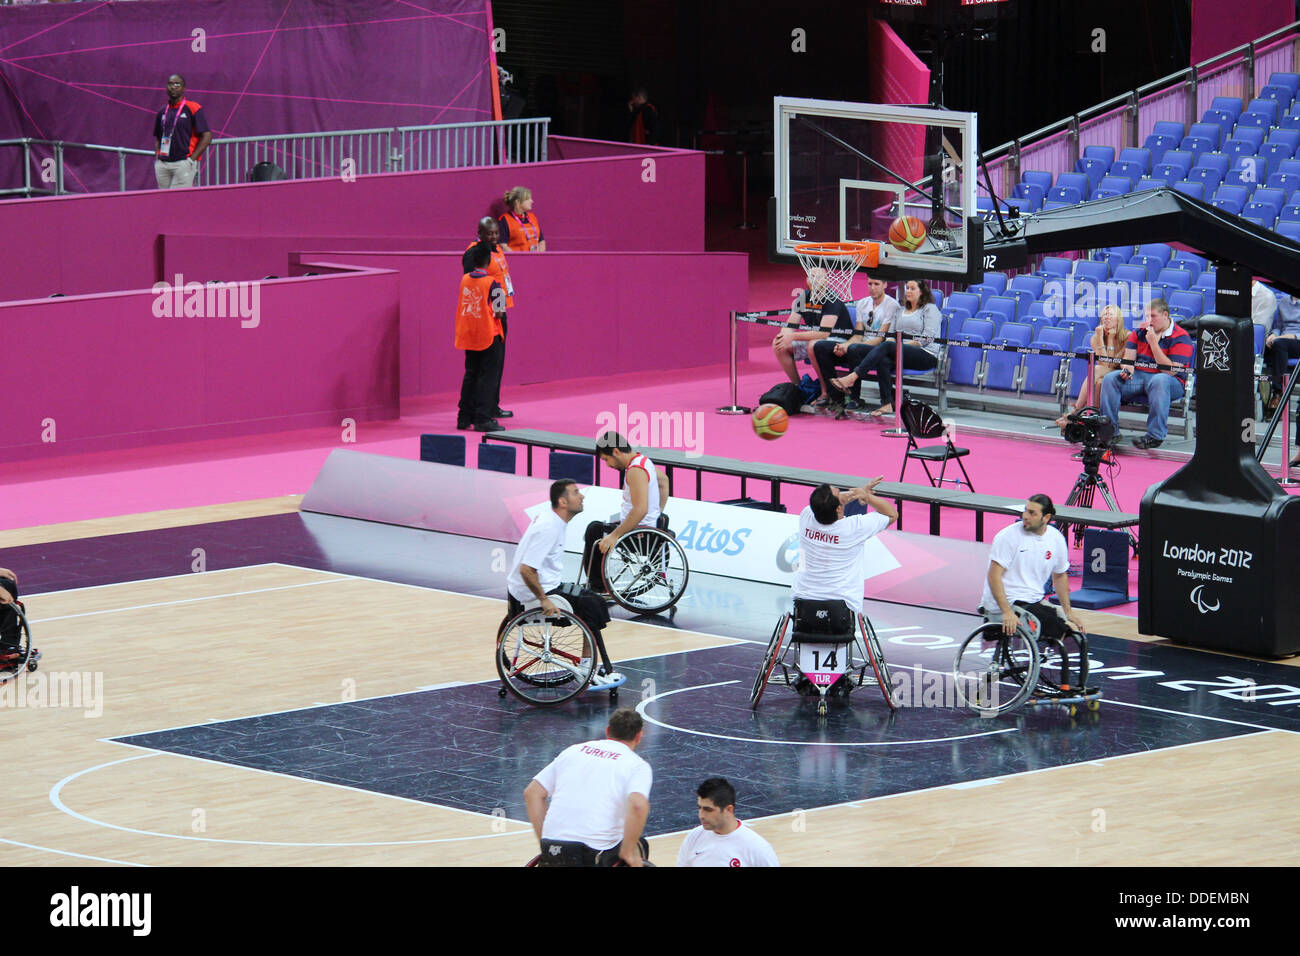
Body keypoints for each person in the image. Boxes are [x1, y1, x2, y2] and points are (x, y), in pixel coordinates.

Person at [502, 479, 619, 687]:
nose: (582, 496)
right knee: (592, 606)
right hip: (534, 594)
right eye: (576, 493)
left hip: (539, 587)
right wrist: (544, 600)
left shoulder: (553, 520)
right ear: (563, 502)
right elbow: (526, 569)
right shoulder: (549, 527)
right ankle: (585, 671)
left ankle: (591, 666)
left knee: (595, 600)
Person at [524, 707, 651, 867]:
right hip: (594, 854)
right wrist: (628, 852)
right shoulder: (637, 765)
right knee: (639, 845)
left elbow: (532, 793)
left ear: (607, 731)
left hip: (554, 849)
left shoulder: (573, 751)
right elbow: (638, 806)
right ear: (639, 736)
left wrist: (546, 841)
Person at [830, 278, 941, 418]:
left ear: (922, 292)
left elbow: (927, 338)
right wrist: (895, 346)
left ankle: (853, 377)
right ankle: (887, 403)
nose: (908, 291)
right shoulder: (900, 310)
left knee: (888, 346)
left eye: (913, 288)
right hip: (899, 351)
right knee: (860, 350)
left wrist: (898, 346)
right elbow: (890, 335)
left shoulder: (930, 309)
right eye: (907, 288)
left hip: (925, 354)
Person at [980, 494, 1086, 641]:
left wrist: (1069, 612)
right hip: (1007, 602)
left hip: (1032, 600)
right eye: (1025, 510)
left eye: (1032, 513)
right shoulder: (1007, 537)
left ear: (1046, 517)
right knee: (1056, 629)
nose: (1025, 516)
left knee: (1070, 632)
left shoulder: (1056, 539)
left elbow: (1060, 575)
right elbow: (993, 576)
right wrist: (1006, 612)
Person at [1097, 298, 1193, 450]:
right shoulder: (1140, 331)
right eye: (1147, 316)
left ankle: (1155, 436)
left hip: (1172, 382)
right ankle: (1110, 433)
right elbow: (1128, 359)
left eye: (1153, 316)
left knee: (1160, 379)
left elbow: (1170, 371)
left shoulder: (1182, 337)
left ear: (1165, 315)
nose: (1149, 321)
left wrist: (1154, 344)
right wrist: (1127, 370)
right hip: (1140, 377)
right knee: (1110, 379)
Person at [582, 430, 671, 592]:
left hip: (639, 535)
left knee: (594, 530)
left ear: (616, 451)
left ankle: (598, 587)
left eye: (606, 459)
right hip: (646, 528)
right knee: (600, 528)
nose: (608, 465)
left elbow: (641, 509)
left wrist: (614, 535)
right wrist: (658, 513)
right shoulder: (643, 461)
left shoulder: (635, 471)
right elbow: (664, 481)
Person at [810, 273, 901, 411]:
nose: (872, 288)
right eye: (870, 284)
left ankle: (855, 398)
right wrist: (844, 345)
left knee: (854, 349)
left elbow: (880, 338)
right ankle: (835, 396)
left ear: (885, 285)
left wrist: (851, 346)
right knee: (820, 346)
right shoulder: (862, 303)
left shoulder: (892, 305)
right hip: (859, 347)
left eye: (876, 284)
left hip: (878, 349)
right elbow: (858, 335)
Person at [771, 268, 853, 402]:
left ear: (826, 281)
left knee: (814, 344)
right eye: (811, 277)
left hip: (839, 341)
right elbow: (790, 325)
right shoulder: (803, 297)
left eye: (818, 277)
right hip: (816, 340)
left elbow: (823, 333)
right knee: (778, 344)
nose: (814, 280)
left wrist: (792, 336)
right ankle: (798, 388)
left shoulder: (832, 299)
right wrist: (783, 336)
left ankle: (825, 392)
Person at [455, 242, 507, 432]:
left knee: (470, 375)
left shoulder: (464, 280)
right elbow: (500, 310)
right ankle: (483, 418)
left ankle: (463, 417)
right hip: (489, 336)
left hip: (470, 335)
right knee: (487, 378)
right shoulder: (493, 282)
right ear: (488, 262)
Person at [467, 217, 514, 420]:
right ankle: (480, 410)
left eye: (496, 233)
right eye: (489, 233)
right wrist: (493, 309)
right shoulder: (474, 251)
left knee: (498, 363)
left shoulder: (497, 248)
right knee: (485, 366)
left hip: (501, 310)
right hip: (488, 315)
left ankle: (493, 405)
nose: (494, 237)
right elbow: (472, 281)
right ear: (479, 232)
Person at [676, 778, 779, 867]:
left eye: (708, 809)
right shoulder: (694, 838)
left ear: (728, 810)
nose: (701, 815)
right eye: (700, 808)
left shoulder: (757, 848)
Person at [1056, 304, 1127, 427]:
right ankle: (1093, 420)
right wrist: (1101, 337)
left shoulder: (1127, 336)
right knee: (1099, 382)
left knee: (1096, 369)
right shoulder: (1095, 337)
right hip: (1103, 373)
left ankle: (1077, 411)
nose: (1106, 317)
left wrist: (1110, 339)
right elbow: (1106, 363)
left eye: (1110, 314)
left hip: (1120, 374)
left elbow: (1112, 364)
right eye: (1104, 314)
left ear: (1119, 319)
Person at [153, 74, 210, 189]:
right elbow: (158, 137)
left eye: (177, 84)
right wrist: (158, 157)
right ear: (166, 88)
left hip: (183, 163)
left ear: (184, 88)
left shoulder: (193, 108)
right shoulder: (162, 111)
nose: (173, 87)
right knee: (163, 201)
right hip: (163, 164)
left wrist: (191, 160)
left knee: (178, 201)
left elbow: (207, 136)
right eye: (170, 84)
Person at [1264, 291, 1300, 464]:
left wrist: (1284, 337)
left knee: (1280, 344)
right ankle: (1277, 390)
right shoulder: (1284, 301)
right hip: (1283, 340)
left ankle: (1278, 392)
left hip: (1297, 339)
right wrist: (1273, 333)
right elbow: (1278, 325)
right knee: (1271, 345)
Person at [499, 186, 545, 252]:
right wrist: (518, 259)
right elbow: (503, 245)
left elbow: (541, 241)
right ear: (517, 202)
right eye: (528, 199)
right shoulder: (504, 219)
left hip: (536, 259)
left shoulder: (533, 217)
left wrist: (539, 256)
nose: (532, 201)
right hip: (516, 260)